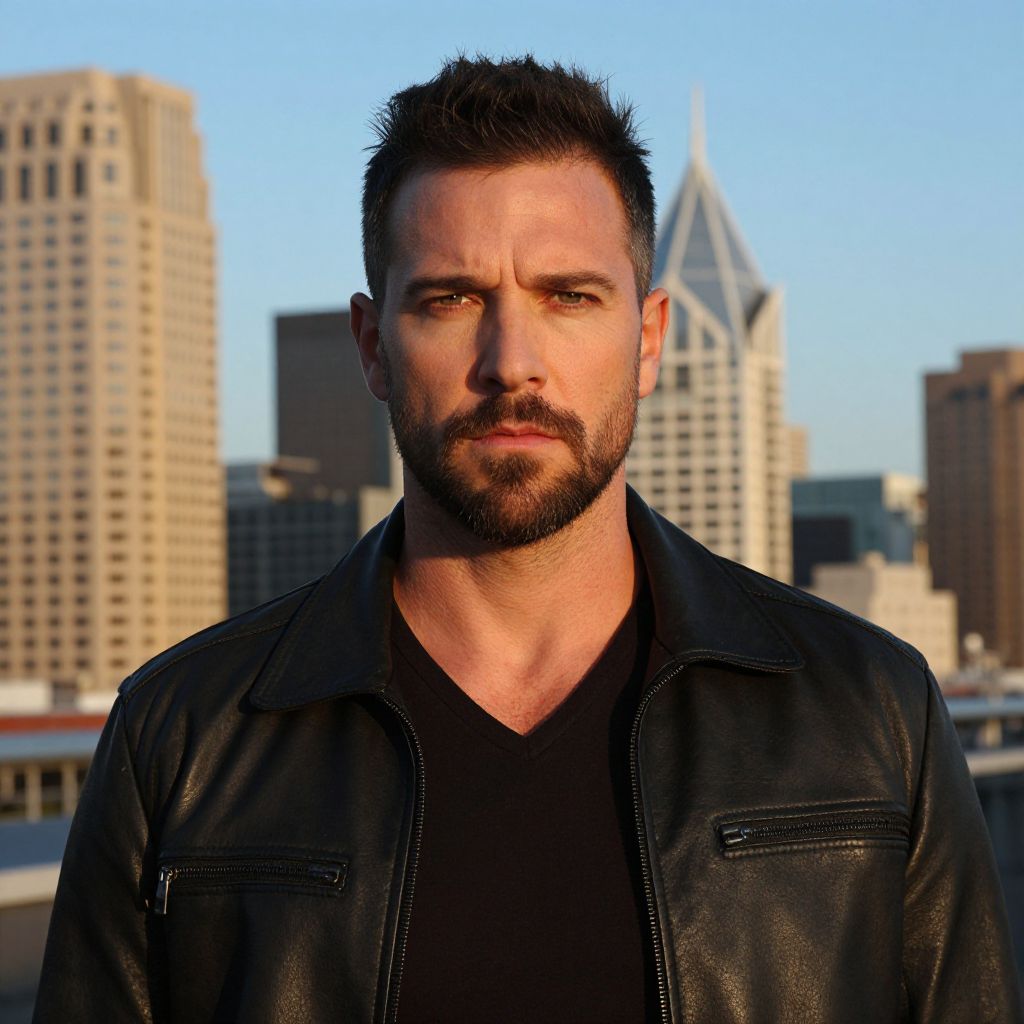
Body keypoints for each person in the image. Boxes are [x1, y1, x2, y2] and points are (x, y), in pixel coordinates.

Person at [34, 55, 1019, 1024]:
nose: (512, 363)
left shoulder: (872, 719)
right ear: (373, 345)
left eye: (569, 296)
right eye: (451, 298)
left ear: (648, 338)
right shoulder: (182, 741)